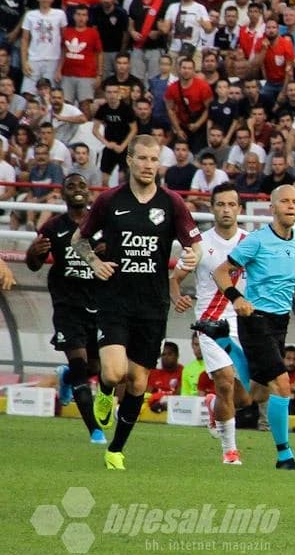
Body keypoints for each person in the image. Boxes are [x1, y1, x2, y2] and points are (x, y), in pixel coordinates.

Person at [72, 135, 202, 470]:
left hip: (152, 304)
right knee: (115, 373)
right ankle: (104, 391)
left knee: (139, 381)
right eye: (142, 158)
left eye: (153, 160)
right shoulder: (109, 201)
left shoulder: (171, 203)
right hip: (115, 299)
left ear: (160, 163)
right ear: (129, 159)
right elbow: (79, 238)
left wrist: (190, 256)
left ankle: (115, 449)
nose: (147, 165)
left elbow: (195, 245)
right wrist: (94, 263)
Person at [212, 184, 295, 470]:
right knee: (282, 385)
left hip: (280, 322)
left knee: (254, 396)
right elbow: (221, 271)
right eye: (284, 201)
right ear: (272, 207)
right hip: (255, 319)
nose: (291, 206)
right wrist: (236, 298)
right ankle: (284, 455)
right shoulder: (256, 241)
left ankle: (225, 343)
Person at [170, 183, 253, 465]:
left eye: (232, 204)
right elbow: (175, 278)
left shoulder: (250, 242)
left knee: (249, 396)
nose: (226, 210)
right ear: (212, 207)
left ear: (239, 209)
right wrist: (177, 297)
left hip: (244, 322)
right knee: (226, 383)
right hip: (210, 322)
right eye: (221, 204)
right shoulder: (200, 244)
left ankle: (213, 405)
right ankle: (230, 451)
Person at [24, 175, 92, 440]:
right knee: (80, 366)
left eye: (82, 186)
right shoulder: (53, 227)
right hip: (67, 306)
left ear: (89, 193)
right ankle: (95, 432)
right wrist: (34, 251)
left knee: (96, 368)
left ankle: (65, 378)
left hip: (98, 306)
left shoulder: (102, 225)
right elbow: (33, 264)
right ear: (62, 194)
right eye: (71, 186)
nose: (77, 190)